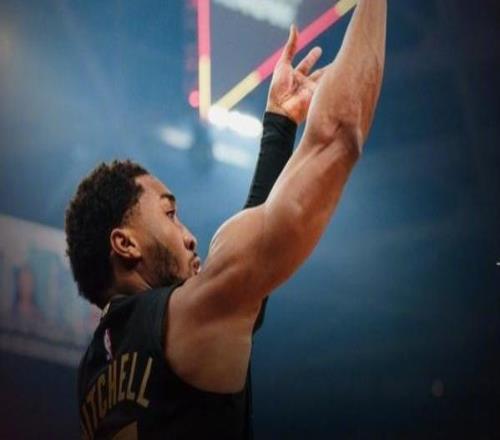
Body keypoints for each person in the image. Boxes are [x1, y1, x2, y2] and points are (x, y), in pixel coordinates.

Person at [66, 1, 387, 438]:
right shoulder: (188, 318)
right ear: (125, 244)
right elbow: (338, 137)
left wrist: (278, 128)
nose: (189, 237)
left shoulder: (91, 375)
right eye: (170, 214)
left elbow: (245, 290)